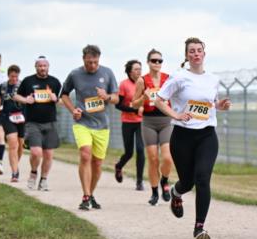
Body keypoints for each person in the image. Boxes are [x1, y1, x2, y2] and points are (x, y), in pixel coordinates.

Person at [151, 38, 231, 239]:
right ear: (187, 55)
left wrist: (220, 106)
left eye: (199, 50)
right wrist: (176, 115)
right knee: (187, 182)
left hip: (207, 135)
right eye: (192, 51)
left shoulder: (212, 79)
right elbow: (159, 101)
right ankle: (176, 194)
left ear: (204, 54)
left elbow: (210, 104)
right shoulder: (179, 77)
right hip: (183, 136)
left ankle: (199, 228)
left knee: (202, 178)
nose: (196, 54)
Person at [60, 44, 119, 211]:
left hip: (102, 125)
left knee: (97, 163)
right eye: (89, 62)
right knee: (85, 155)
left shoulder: (107, 73)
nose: (92, 65)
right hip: (82, 123)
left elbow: (116, 98)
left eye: (95, 62)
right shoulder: (75, 74)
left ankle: (91, 194)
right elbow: (64, 95)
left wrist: (106, 96)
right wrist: (73, 110)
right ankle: (85, 196)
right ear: (83, 59)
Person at [130, 49, 175, 206]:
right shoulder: (142, 81)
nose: (157, 63)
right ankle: (155, 192)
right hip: (149, 122)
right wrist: (144, 97)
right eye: (154, 60)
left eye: (159, 61)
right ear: (148, 62)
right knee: (153, 158)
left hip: (166, 121)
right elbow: (133, 104)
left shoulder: (168, 79)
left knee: (167, 158)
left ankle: (165, 180)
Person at [16, 56, 62, 191]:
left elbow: (62, 100)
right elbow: (16, 96)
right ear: (36, 67)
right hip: (33, 122)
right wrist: (25, 100)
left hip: (50, 122)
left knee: (48, 154)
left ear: (48, 66)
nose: (42, 68)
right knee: (36, 152)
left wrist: (56, 99)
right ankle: (33, 173)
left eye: (44, 66)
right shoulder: (28, 81)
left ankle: (43, 180)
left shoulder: (55, 82)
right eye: (40, 66)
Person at [114, 59, 146, 191]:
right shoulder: (124, 85)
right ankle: (119, 166)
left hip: (141, 122)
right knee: (129, 152)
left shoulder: (144, 83)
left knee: (140, 149)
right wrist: (133, 110)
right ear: (129, 72)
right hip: (127, 122)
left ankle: (139, 181)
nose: (139, 71)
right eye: (136, 69)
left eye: (140, 69)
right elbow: (118, 105)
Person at [0, 65, 26, 183]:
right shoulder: (3, 86)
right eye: (12, 76)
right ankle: (14, 173)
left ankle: (15, 164)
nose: (14, 79)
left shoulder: (23, 85)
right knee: (13, 144)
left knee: (20, 145)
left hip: (21, 117)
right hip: (7, 117)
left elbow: (28, 99)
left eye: (16, 76)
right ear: (8, 75)